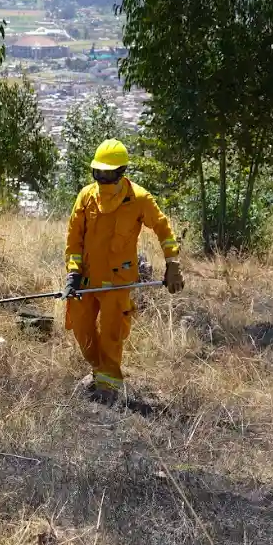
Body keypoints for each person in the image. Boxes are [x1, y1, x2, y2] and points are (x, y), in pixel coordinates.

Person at [64, 139, 184, 401]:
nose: (102, 178)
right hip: (86, 280)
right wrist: (73, 272)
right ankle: (99, 370)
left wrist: (172, 263)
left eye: (108, 173)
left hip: (117, 281)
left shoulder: (139, 199)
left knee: (111, 334)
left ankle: (109, 387)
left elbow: (163, 229)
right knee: (81, 329)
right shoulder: (86, 196)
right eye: (98, 172)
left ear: (121, 172)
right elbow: (74, 238)